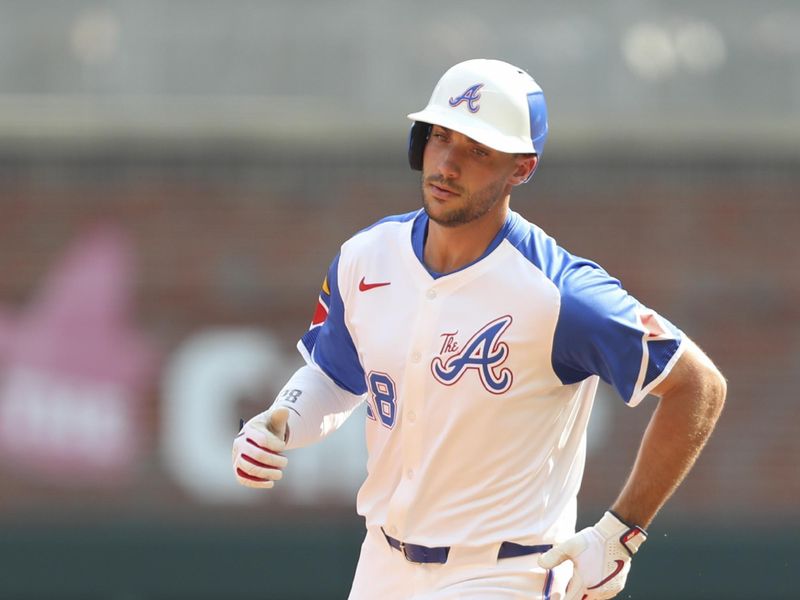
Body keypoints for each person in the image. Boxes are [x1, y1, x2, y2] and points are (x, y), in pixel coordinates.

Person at [232, 59, 726, 600]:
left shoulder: (561, 292)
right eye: (440, 136)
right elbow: (336, 376)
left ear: (521, 168)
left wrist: (619, 534)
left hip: (507, 573)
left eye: (478, 150)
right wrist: (282, 419)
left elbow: (698, 385)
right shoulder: (366, 257)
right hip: (382, 563)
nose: (447, 164)